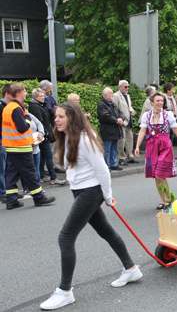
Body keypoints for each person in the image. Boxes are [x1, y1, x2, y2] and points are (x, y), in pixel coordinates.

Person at [40, 103, 143, 311]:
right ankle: (131, 268)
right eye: (55, 117)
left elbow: (103, 170)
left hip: (91, 192)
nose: (56, 120)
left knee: (65, 236)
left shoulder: (85, 139)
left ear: (72, 117)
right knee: (105, 230)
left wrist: (107, 196)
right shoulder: (67, 136)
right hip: (81, 191)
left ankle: (65, 291)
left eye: (60, 116)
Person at [2, 83, 55, 210]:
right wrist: (27, 117)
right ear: (19, 93)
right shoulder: (16, 108)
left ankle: (12, 200)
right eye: (24, 91)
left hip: (11, 146)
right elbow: (22, 128)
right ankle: (39, 197)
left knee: (12, 174)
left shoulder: (8, 107)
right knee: (30, 173)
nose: (26, 93)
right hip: (21, 147)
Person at [134, 93, 177, 209]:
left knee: (159, 173)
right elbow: (143, 131)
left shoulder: (167, 114)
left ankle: (168, 199)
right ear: (152, 102)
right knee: (156, 175)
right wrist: (137, 146)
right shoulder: (146, 116)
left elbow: (176, 129)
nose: (160, 103)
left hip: (165, 146)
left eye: (162, 101)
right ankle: (164, 200)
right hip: (152, 146)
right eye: (157, 101)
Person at [29, 88, 66, 185]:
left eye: (43, 96)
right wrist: (46, 133)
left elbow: (49, 117)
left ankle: (42, 176)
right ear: (36, 97)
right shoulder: (34, 107)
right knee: (48, 156)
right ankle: (53, 178)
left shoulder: (42, 105)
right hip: (41, 135)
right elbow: (40, 122)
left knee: (43, 157)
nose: (44, 98)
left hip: (44, 134)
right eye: (41, 96)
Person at [97, 87, 124, 171]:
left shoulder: (112, 103)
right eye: (110, 94)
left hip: (115, 130)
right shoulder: (101, 104)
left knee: (114, 148)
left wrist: (121, 118)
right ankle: (106, 166)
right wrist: (116, 120)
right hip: (107, 130)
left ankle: (113, 164)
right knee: (107, 149)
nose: (112, 96)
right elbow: (105, 116)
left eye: (112, 94)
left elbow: (120, 113)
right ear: (105, 95)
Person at [113, 80, 137, 166]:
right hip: (122, 121)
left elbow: (129, 106)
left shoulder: (128, 96)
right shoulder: (116, 96)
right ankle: (121, 158)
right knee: (121, 140)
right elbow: (115, 108)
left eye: (128, 87)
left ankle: (130, 156)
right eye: (125, 87)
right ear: (120, 87)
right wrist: (119, 119)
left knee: (130, 138)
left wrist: (132, 110)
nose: (127, 88)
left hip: (129, 120)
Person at [0, 84, 11, 203]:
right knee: (1, 168)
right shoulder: (1, 106)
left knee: (7, 168)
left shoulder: (7, 106)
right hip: (2, 141)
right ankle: (2, 193)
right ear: (7, 94)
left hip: (7, 141)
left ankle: (7, 191)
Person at [29, 112, 45, 183]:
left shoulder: (30, 115)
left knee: (36, 169)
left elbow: (39, 124)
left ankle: (38, 187)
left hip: (36, 148)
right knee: (29, 170)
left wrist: (41, 133)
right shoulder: (17, 117)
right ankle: (27, 189)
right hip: (26, 149)